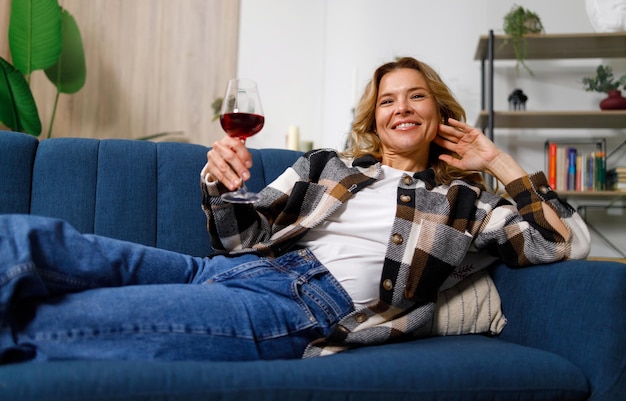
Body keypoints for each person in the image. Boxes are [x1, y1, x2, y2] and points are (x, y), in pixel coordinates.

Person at [0, 57, 590, 364]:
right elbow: (239, 234)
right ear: (375, 118)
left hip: (304, 307)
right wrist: (222, 181)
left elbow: (565, 242)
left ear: (440, 114)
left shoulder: (470, 206)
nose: (401, 108)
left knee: (89, 317)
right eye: (388, 99)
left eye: (417, 97)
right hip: (229, 270)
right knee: (35, 241)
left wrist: (500, 162)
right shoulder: (329, 166)